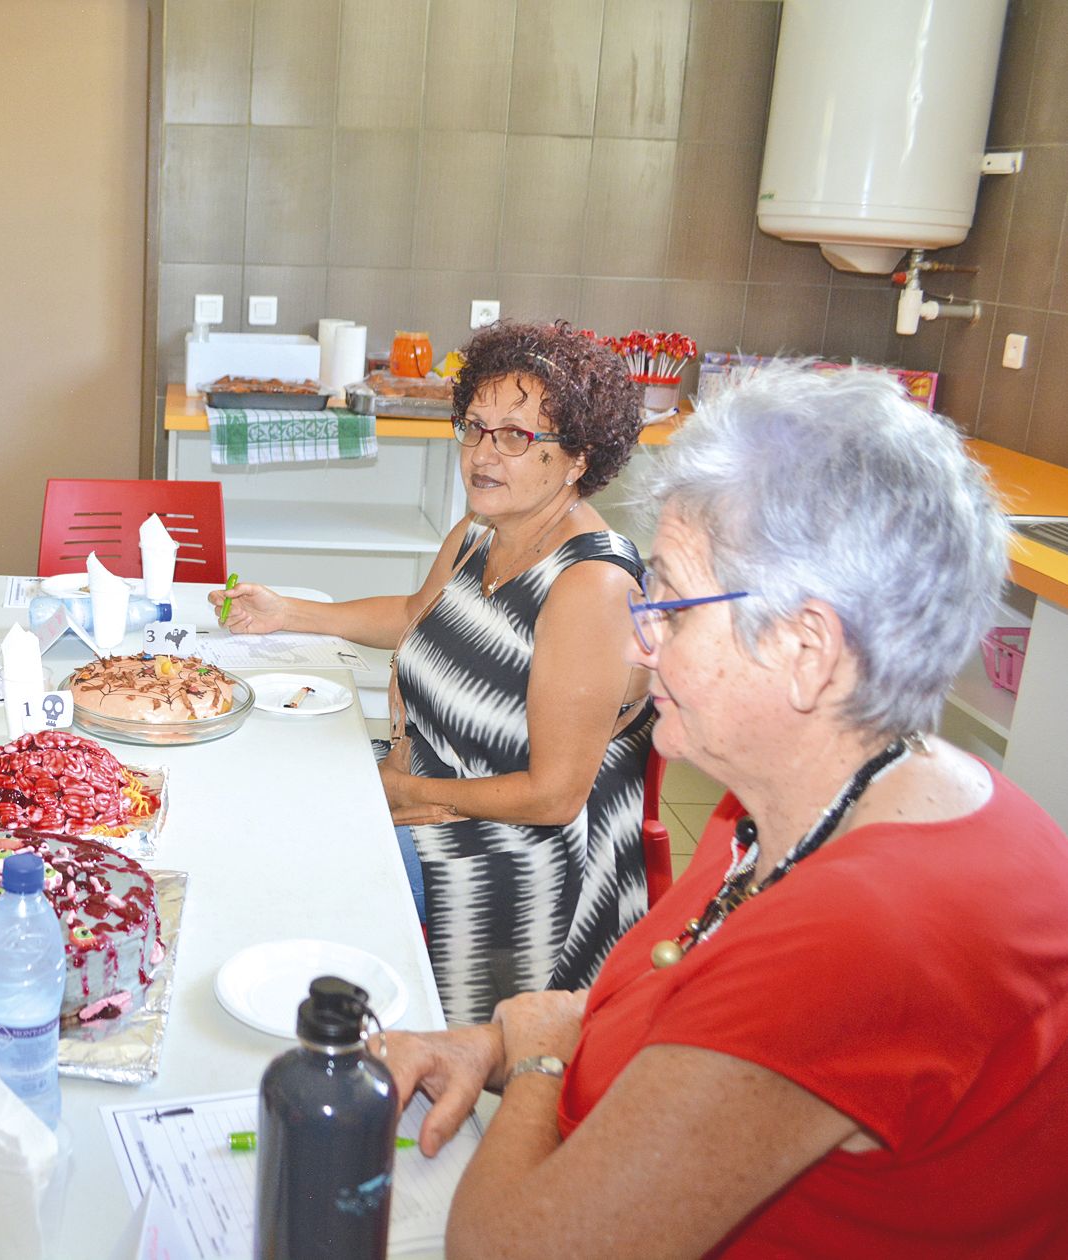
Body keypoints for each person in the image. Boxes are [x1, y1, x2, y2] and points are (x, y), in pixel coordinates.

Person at [379, 364, 1068, 1257]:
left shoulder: (860, 942)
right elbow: (684, 1005)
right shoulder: (809, 802)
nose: (639, 636)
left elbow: (507, 1248)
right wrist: (491, 1042)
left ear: (805, 648)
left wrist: (541, 1048)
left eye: (668, 601)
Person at [212, 320, 651, 1025]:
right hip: (429, 794)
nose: (483, 454)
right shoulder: (482, 531)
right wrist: (289, 612)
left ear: (577, 459)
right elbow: (419, 614)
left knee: (290, 876)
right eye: (475, 428)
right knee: (258, 804)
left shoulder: (587, 584)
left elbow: (555, 796)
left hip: (509, 862)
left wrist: (398, 790)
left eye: (516, 436)